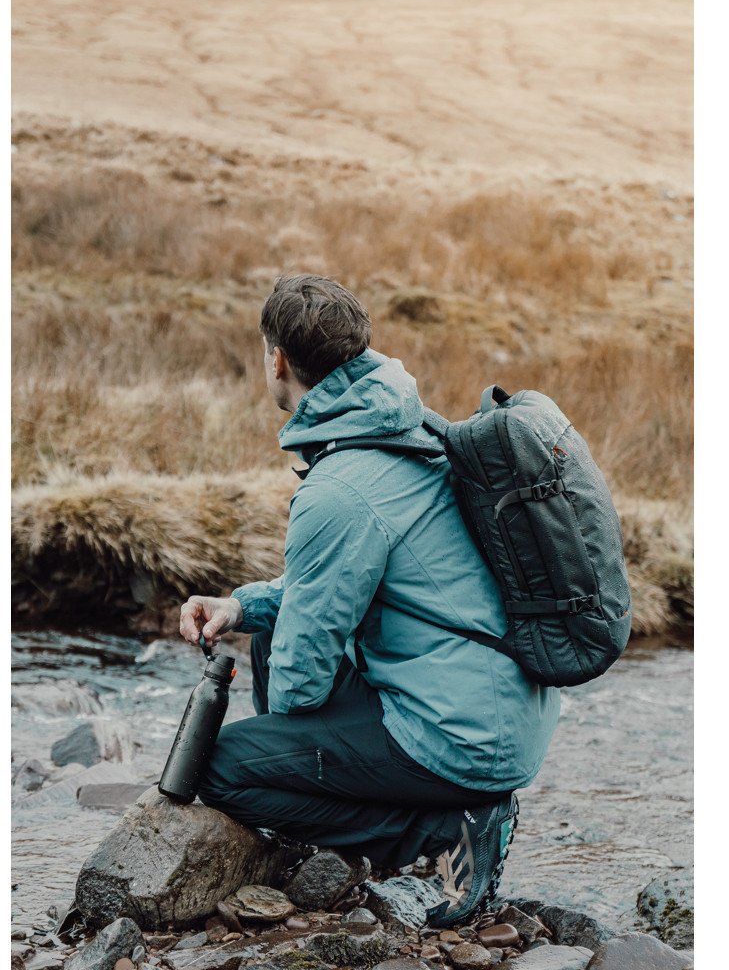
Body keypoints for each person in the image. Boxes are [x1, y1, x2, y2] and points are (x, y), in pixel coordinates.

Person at [179, 273, 560, 926]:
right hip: (499, 714)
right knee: (269, 637)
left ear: (277, 360)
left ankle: (438, 834)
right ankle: (422, 813)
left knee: (219, 770)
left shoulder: (339, 488)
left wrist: (288, 750)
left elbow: (299, 688)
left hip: (460, 738)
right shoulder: (409, 427)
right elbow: (336, 587)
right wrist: (241, 609)